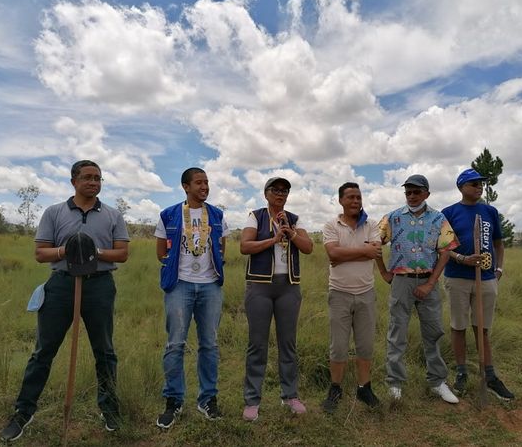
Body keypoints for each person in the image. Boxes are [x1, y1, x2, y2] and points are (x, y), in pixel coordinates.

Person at [0, 160, 130, 442]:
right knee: (43, 351)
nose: (93, 182)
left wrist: (94, 251)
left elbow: (121, 253)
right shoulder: (54, 212)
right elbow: (40, 253)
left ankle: (109, 410)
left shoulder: (112, 214)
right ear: (74, 181)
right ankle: (23, 412)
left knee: (105, 351)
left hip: (99, 286)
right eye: (87, 177)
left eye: (98, 178)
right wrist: (66, 250)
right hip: (61, 285)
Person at [155, 167, 229, 428]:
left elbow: (221, 249)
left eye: (206, 182)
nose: (204, 186)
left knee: (209, 344)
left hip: (210, 286)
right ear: (186, 187)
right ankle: (173, 401)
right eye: (199, 182)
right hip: (180, 286)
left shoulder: (217, 215)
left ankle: (207, 399)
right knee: (175, 344)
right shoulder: (169, 214)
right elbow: (160, 253)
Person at [377, 174, 459, 404]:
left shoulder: (438, 219)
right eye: (408, 192)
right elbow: (374, 243)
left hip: (428, 281)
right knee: (397, 333)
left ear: (427, 194)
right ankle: (395, 383)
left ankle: (437, 381)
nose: (412, 196)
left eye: (416, 192)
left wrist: (430, 283)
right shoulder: (393, 218)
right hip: (401, 282)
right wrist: (384, 272)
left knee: (433, 332)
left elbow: (446, 251)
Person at [240, 177, 314, 422]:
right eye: (276, 190)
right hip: (260, 286)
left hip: (288, 288)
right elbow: (245, 246)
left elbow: (308, 247)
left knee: (288, 344)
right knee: (257, 345)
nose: (280, 194)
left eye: (285, 190)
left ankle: (290, 396)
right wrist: (273, 240)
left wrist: (290, 233)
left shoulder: (294, 219)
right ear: (266, 193)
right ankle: (252, 400)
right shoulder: (256, 216)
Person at [442, 168, 514, 401]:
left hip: (486, 278)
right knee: (458, 326)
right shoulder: (449, 213)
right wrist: (462, 258)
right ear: (461, 187)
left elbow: (498, 244)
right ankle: (461, 372)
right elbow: (443, 247)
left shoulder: (490, 211)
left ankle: (490, 376)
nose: (479, 187)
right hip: (457, 277)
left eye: (481, 184)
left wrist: (499, 269)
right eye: (473, 184)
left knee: (482, 328)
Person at [320, 182, 390, 413]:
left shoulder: (371, 225)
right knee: (338, 345)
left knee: (365, 344)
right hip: (339, 293)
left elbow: (374, 252)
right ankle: (335, 388)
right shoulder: (331, 225)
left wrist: (342, 256)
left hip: (366, 293)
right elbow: (332, 253)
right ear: (340, 200)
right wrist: (363, 252)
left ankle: (364, 388)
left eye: (358, 197)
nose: (355, 201)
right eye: (350, 197)